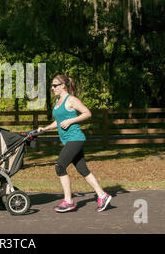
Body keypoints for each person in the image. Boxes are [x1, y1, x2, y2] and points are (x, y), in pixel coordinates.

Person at [37, 74, 112, 213]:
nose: (52, 88)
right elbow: (59, 121)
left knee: (60, 166)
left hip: (75, 139)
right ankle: (103, 195)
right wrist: (45, 128)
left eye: (55, 85)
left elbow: (87, 113)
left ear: (63, 86)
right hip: (68, 140)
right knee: (83, 169)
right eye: (51, 86)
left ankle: (68, 201)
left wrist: (71, 121)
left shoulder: (71, 100)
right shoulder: (58, 102)